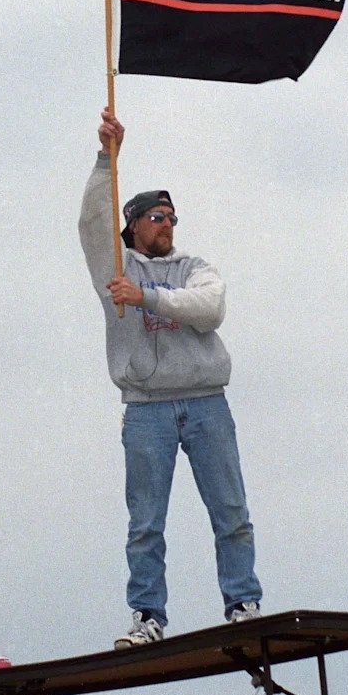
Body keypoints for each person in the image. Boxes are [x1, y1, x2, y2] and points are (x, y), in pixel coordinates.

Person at [79, 108, 263, 648]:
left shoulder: (194, 267)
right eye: (156, 216)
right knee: (146, 523)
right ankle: (148, 619)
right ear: (133, 224)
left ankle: (243, 604)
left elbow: (210, 309)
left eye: (171, 217)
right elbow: (92, 223)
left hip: (207, 402)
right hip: (147, 408)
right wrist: (105, 160)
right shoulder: (115, 270)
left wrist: (151, 298)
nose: (166, 224)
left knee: (231, 509)